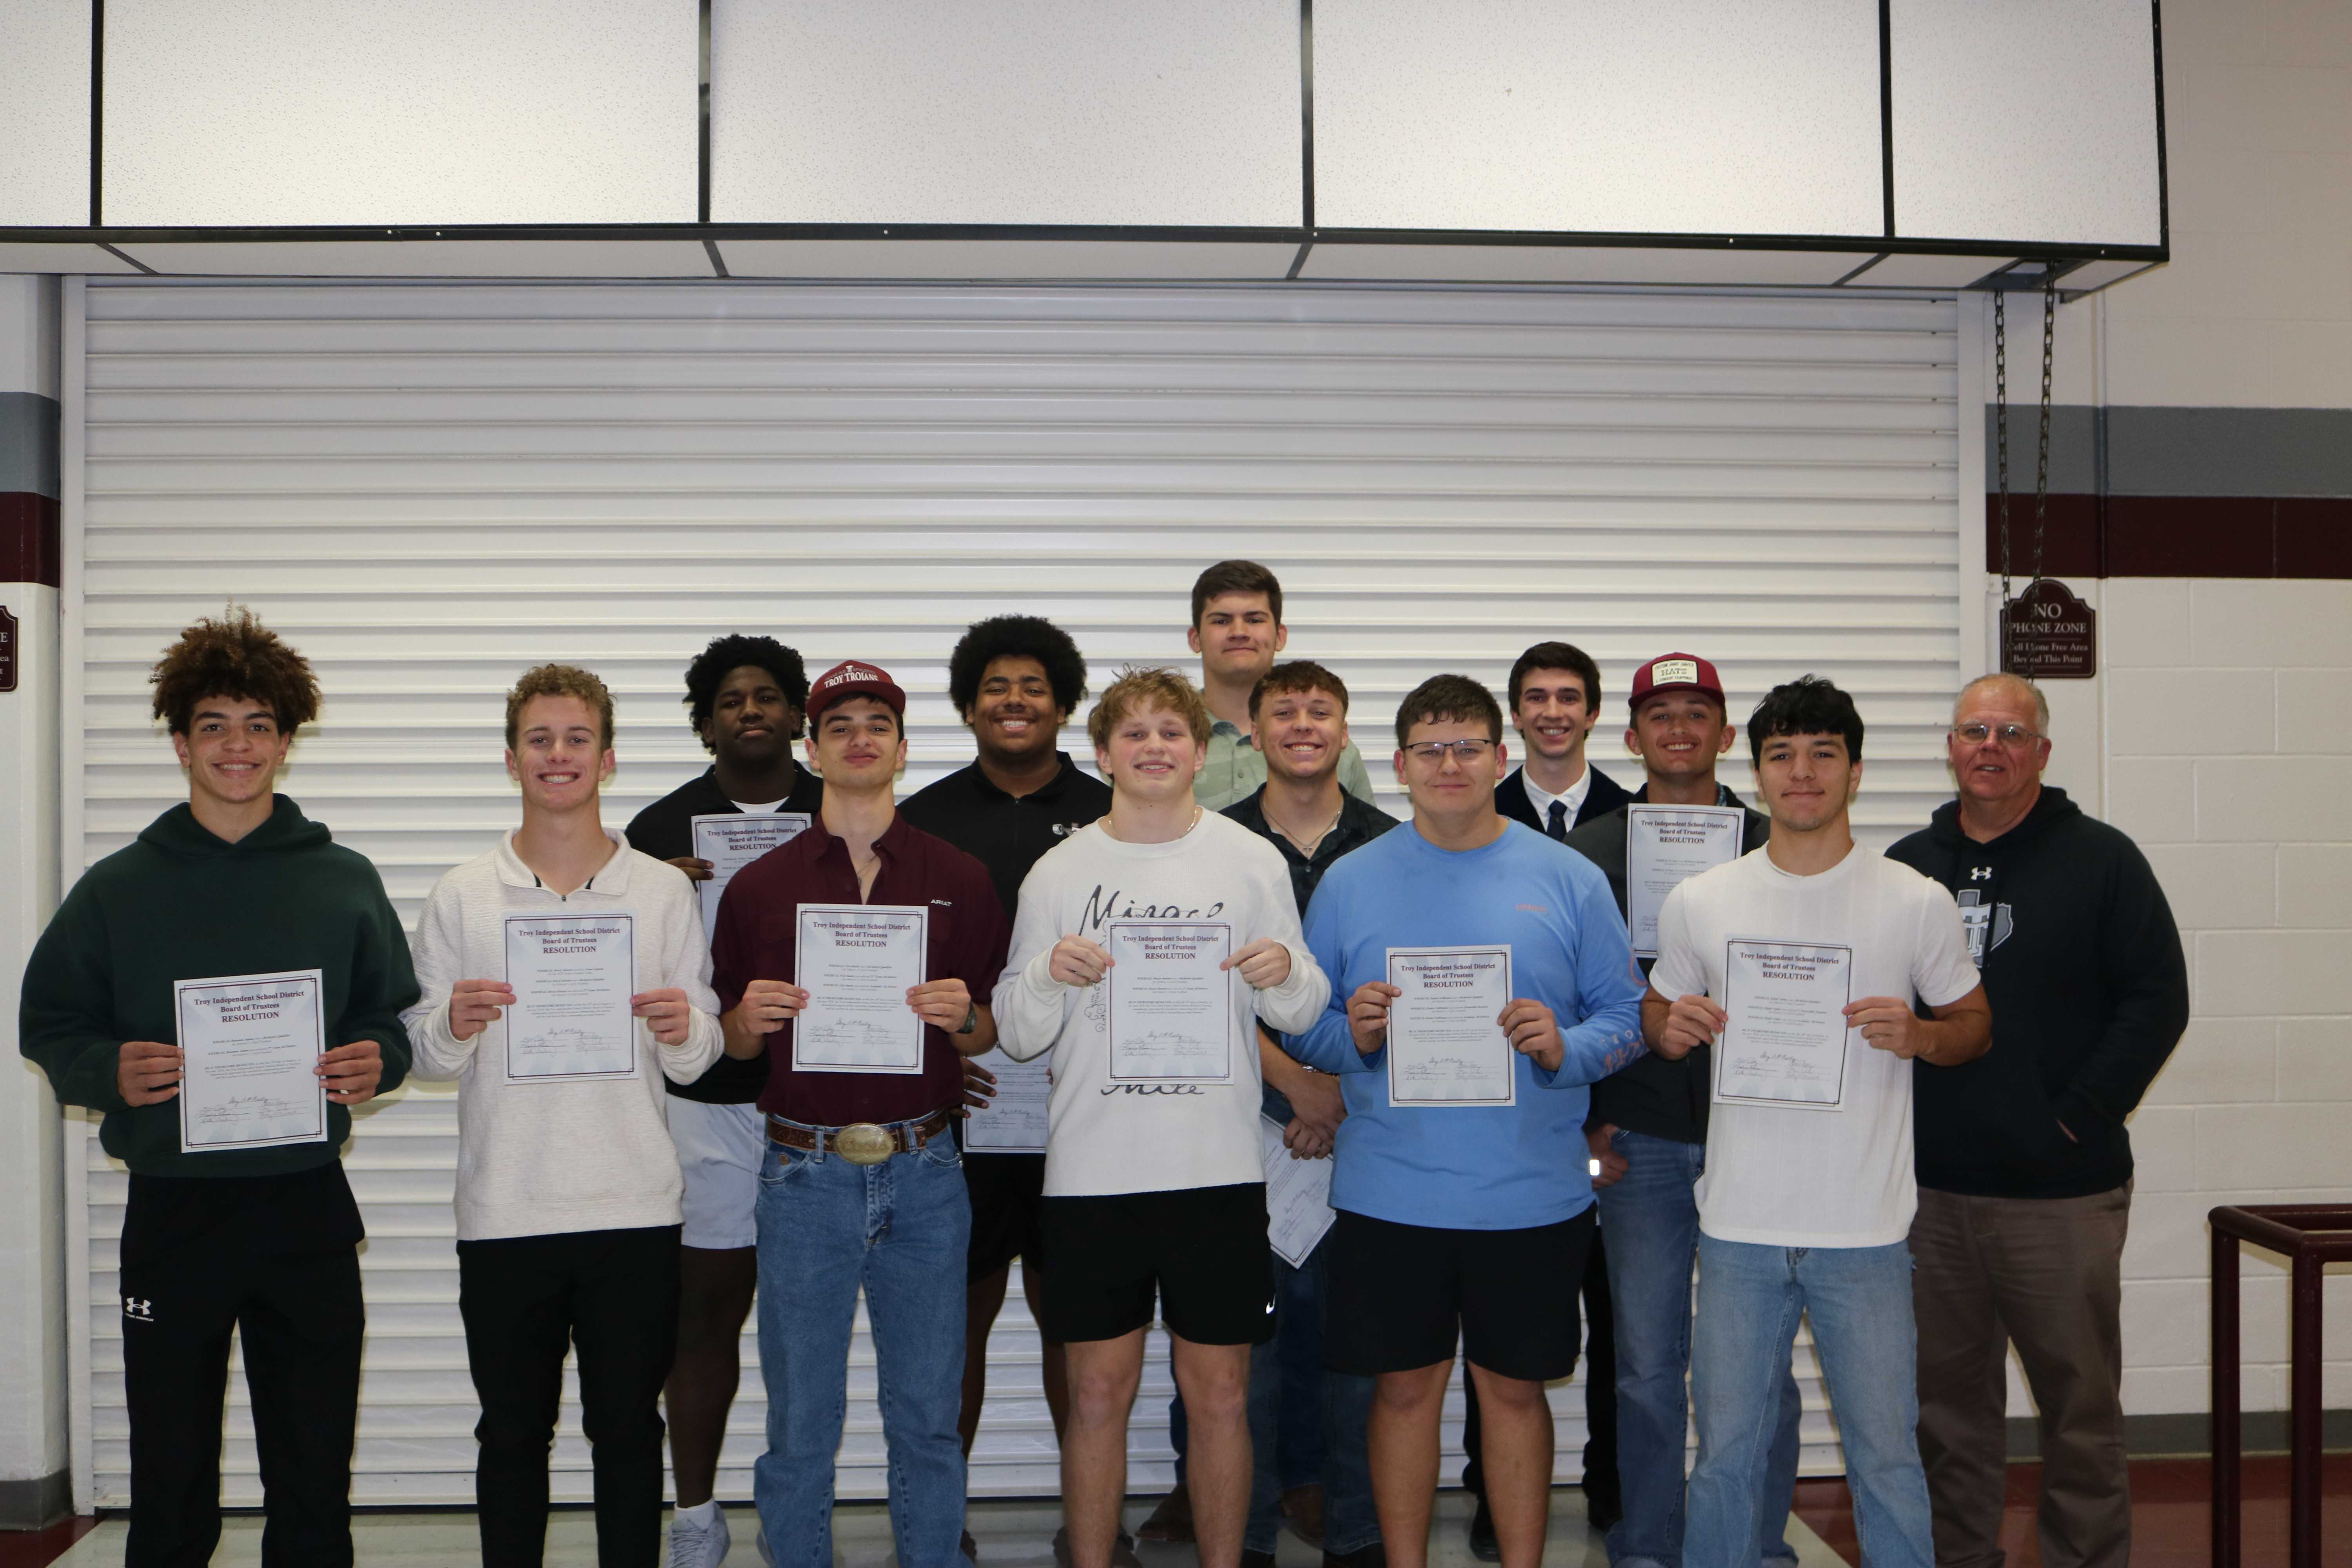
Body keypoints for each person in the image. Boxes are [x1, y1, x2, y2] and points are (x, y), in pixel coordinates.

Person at [19, 607, 418, 1568]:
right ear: (179, 741)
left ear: (285, 739)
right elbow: (51, 1023)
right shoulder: (118, 888)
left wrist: (374, 1058)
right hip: (175, 1212)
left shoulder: (343, 878)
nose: (236, 746)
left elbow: (389, 1021)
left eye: (256, 724)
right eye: (213, 724)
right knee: (170, 1471)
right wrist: (105, 1071)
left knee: (314, 1470)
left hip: (306, 1211)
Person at [1287, 673, 1647, 1568]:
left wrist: (1564, 1045)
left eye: (1469, 746)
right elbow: (1312, 1026)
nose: (1450, 764)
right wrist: (1355, 1032)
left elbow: (1629, 1015)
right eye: (1430, 749)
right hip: (1390, 1194)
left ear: (1501, 755)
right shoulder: (1349, 881)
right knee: (1404, 1394)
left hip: (1529, 1198)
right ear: (1401, 765)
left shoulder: (1567, 876)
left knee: (1515, 1396)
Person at [1647, 677, 1989, 1568]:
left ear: (1855, 770)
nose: (1801, 772)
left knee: (1885, 1458)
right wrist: (1671, 1027)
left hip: (1865, 1231)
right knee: (1724, 1457)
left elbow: (1975, 1026)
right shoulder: (1703, 897)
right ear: (1755, 771)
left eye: (1822, 754)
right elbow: (1659, 1013)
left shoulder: (1914, 899)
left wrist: (1919, 1032)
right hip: (1738, 1229)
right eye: (1781, 754)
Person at [993, 667, 1331, 1568]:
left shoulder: (1248, 858)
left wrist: (1282, 974)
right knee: (1097, 1393)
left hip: (1216, 1170)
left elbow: (1302, 1008)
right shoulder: (1060, 872)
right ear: (1102, 753)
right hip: (1093, 1175)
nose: (1153, 747)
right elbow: (1018, 1033)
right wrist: (1045, 976)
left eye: (1170, 733)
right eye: (1133, 734)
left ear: (1200, 749)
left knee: (1220, 1393)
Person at [404, 663, 724, 1568]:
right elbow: (423, 1052)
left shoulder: (660, 891)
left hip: (632, 1209)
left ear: (608, 758)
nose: (558, 755)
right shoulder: (464, 892)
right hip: (507, 1208)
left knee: (627, 1430)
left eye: (576, 738)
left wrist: (683, 1026)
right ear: (511, 759)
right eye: (540, 739)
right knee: (511, 1434)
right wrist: (452, 1023)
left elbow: (699, 1055)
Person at [711, 661, 1010, 1568]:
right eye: (838, 724)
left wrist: (961, 1014)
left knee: (926, 1414)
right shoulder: (759, 888)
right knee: (802, 1417)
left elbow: (989, 1032)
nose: (858, 736)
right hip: (803, 1176)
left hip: (926, 1172)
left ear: (903, 749)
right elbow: (725, 1044)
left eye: (877, 721)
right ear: (812, 749)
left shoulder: (959, 874)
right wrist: (745, 1022)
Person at [1888, 673, 2187, 1568]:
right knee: (1946, 1417)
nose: (1991, 746)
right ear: (1950, 746)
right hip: (1931, 1197)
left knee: (2080, 1415)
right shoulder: (1907, 866)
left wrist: (2077, 1116)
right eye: (1974, 730)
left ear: (2042, 752)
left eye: (2011, 732)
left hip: (2061, 1194)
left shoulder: (2103, 859)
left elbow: (2157, 998)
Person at [1561, 653, 1802, 1568]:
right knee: (1648, 1367)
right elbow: (1572, 1000)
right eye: (1658, 714)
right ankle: (1650, 1546)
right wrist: (1585, 1120)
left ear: (1726, 733)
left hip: (1761, 1139)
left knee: (1760, 1370)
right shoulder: (1588, 858)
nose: (1678, 728)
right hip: (1643, 1140)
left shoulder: (1780, 838)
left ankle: (1753, 1546)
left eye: (1697, 712)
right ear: (1630, 737)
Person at [897, 615, 1112, 1560]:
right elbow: (897, 966)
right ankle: (944, 1523)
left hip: (1086, 1115)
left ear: (1064, 702)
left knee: (1080, 1328)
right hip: (969, 1113)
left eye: (1033, 685)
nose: (1014, 700)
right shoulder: (925, 819)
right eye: (996, 686)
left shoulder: (1115, 814)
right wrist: (947, 1060)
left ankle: (1089, 1521)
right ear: (968, 705)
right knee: (959, 1326)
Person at [622, 634, 823, 1568]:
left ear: (797, 717)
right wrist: (660, 897)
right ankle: (696, 1513)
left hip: (826, 1100)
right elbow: (609, 971)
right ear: (707, 721)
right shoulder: (657, 832)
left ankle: (803, 1513)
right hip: (705, 1100)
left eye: (770, 696)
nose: (752, 710)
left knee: (808, 1317)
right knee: (704, 1313)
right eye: (732, 698)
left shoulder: (842, 814)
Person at [1217, 662, 1395, 1568]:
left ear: (1344, 728)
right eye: (1283, 709)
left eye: (1319, 709)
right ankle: (1241, 1531)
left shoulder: (1389, 845)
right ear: (1254, 729)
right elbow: (1201, 988)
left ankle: (1354, 1525)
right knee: (1242, 1349)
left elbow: (1399, 991)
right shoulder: (1216, 843)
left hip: (1363, 1124)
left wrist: (1337, 1088)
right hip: (1238, 1124)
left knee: (1354, 1342)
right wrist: (1293, 1081)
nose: (1302, 723)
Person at [1186, 559, 1377, 812]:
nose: (1239, 632)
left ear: (1280, 636)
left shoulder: (1328, 748)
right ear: (1195, 638)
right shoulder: (1167, 738)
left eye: (1254, 620)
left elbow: (1367, 843)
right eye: (1221, 621)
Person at [1494, 641, 1632, 838]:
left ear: (1591, 716)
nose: (1553, 713)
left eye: (1568, 699)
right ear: (1516, 716)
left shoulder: (1630, 818)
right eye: (1537, 698)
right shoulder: (1485, 815)